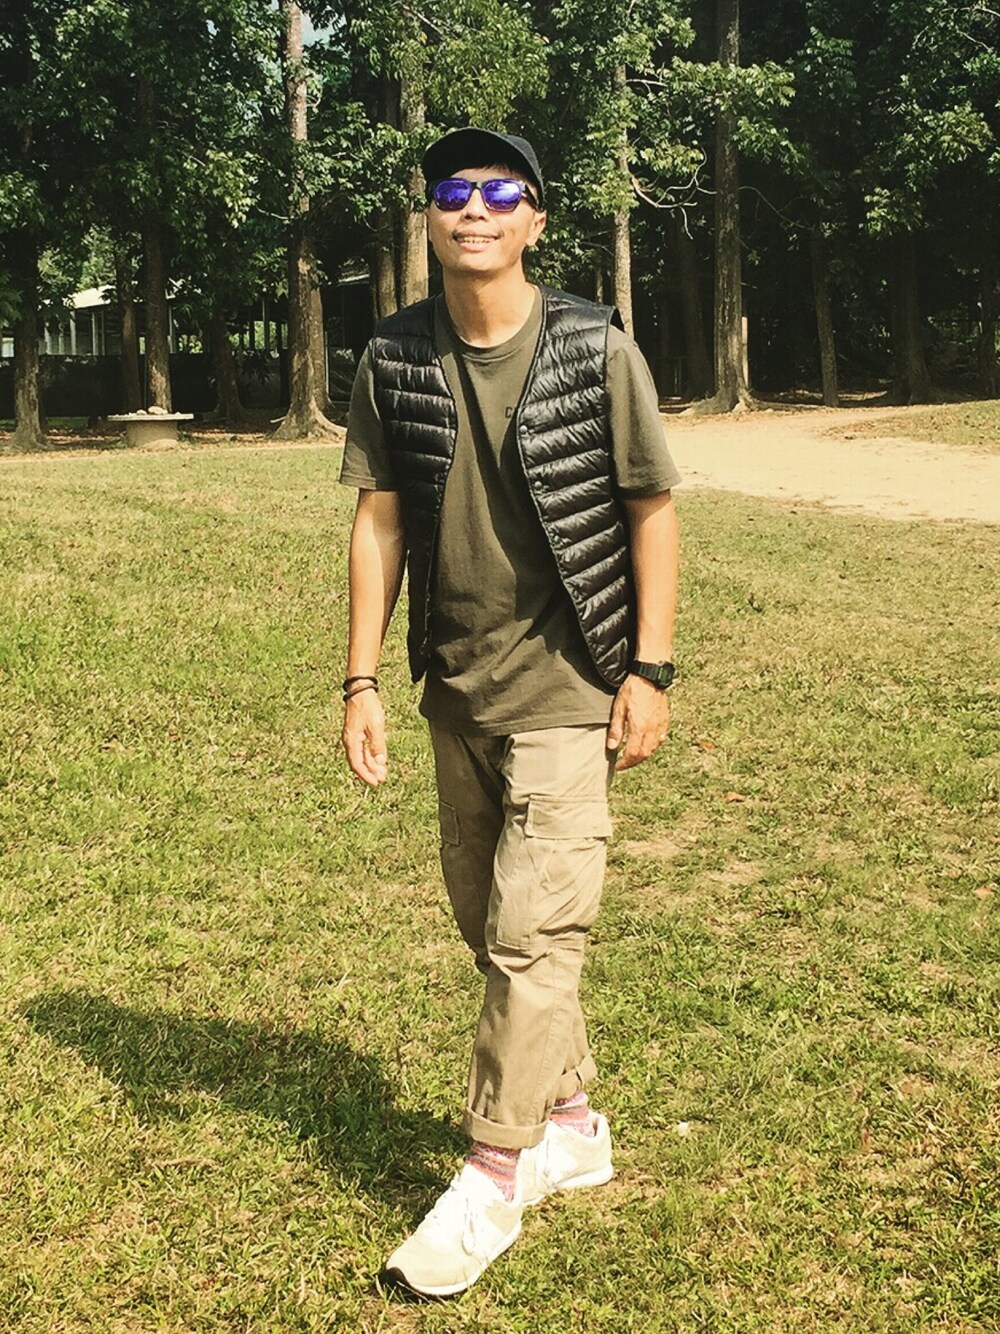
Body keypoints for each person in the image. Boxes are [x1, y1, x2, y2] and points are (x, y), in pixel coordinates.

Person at [339, 126, 680, 1297]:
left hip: (570, 685)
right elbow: (379, 519)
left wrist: (650, 668)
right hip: (456, 686)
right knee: (490, 921)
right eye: (451, 191)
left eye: (498, 191)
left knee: (534, 935)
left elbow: (649, 507)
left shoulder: (594, 347)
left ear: (535, 218)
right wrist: (361, 679)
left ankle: (493, 1170)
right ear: (430, 218)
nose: (472, 208)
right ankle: (571, 1119)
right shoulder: (395, 354)